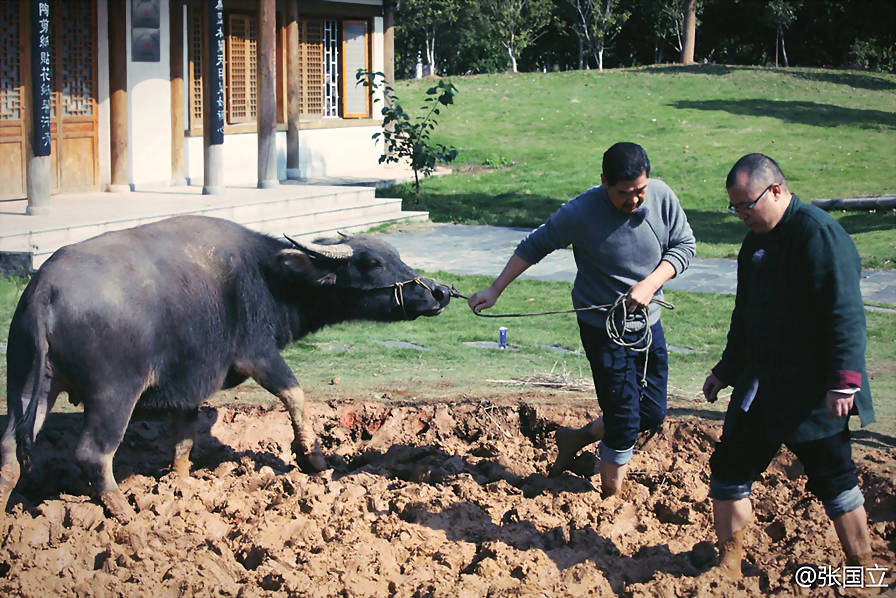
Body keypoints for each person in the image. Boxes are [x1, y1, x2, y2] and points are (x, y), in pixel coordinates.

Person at [468, 142, 696, 497]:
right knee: (623, 419)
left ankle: (577, 437)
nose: (635, 201)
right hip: (603, 329)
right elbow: (533, 246)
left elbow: (684, 245)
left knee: (651, 413)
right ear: (604, 182)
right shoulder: (580, 212)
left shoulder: (663, 197)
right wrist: (495, 289)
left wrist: (651, 284)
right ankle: (610, 498)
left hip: (648, 325)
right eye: (625, 194)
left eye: (640, 191)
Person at [702, 153, 875, 580]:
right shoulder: (754, 241)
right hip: (761, 385)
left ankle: (863, 571)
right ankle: (730, 563)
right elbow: (744, 317)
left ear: (776, 190)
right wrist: (725, 370)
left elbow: (846, 313)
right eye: (735, 207)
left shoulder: (819, 235)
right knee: (728, 470)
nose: (741, 214)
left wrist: (845, 382)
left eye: (747, 204)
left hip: (816, 390)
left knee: (835, 480)